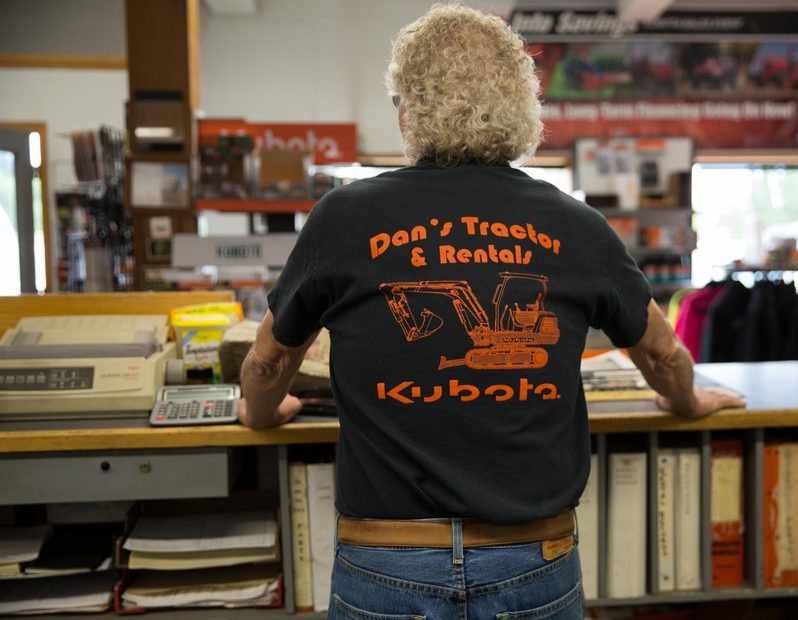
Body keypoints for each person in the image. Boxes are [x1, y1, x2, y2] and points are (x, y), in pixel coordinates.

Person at [238, 5, 744, 618]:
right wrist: (685, 402)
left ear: (408, 109)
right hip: (531, 560)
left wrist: (260, 413)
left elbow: (268, 362)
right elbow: (663, 353)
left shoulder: (343, 217)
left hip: (387, 560)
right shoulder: (576, 226)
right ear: (521, 107)